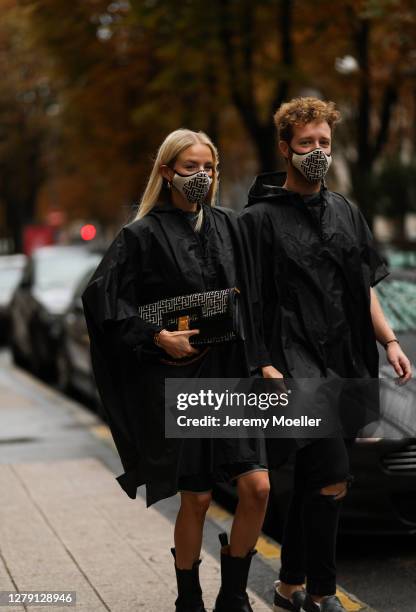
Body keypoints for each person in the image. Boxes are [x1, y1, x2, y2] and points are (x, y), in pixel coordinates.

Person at [82, 128, 270, 612]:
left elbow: (253, 298)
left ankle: (234, 594)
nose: (201, 176)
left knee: (257, 487)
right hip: (181, 382)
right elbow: (103, 302)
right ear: (167, 172)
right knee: (198, 498)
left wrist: (265, 361)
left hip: (232, 378)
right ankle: (188, 597)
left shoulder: (230, 226)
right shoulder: (140, 236)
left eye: (208, 167)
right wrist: (156, 335)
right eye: (190, 167)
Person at [239, 97, 412, 612]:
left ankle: (288, 586)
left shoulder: (346, 212)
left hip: (344, 359)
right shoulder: (258, 220)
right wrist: (263, 360)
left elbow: (364, 287)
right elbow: (245, 299)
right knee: (334, 472)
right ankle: (321, 591)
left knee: (316, 477)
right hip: (292, 366)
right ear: (285, 147)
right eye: (307, 142)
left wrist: (391, 341)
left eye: (324, 144)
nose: (317, 152)